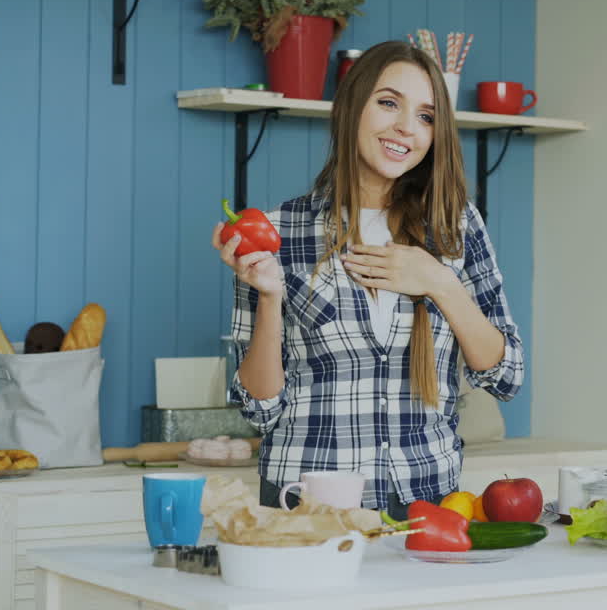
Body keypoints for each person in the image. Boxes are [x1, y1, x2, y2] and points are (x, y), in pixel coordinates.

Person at [211, 41, 525, 519]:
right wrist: (270, 296)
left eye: (426, 115)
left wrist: (440, 282)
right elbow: (259, 408)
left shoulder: (456, 227)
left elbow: (505, 374)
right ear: (352, 107)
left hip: (428, 504)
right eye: (388, 103)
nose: (406, 127)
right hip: (305, 505)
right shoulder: (277, 229)